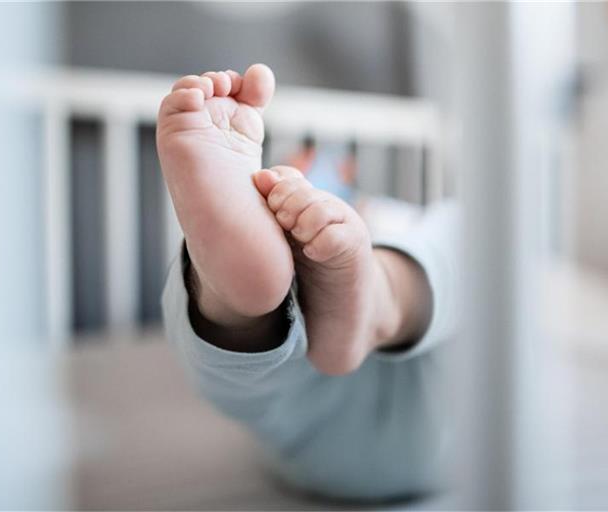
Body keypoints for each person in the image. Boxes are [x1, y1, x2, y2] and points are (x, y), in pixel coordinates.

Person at [158, 64, 459, 501]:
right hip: (446, 426)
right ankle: (357, 298)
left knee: (249, 372)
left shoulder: (382, 214)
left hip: (311, 443)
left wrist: (353, 218)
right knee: (470, 236)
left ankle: (235, 314)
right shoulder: (367, 223)